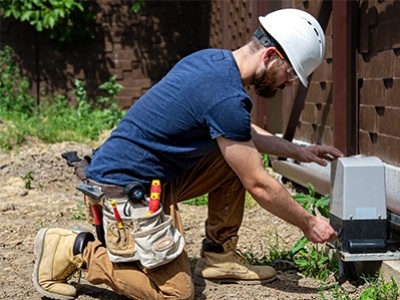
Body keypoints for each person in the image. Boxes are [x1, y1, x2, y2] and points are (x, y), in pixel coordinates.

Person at [32, 8, 343, 300]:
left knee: (234, 157)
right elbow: (258, 184)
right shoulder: (226, 97)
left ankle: (219, 256)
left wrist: (301, 152)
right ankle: (74, 249)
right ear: (272, 55)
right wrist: (309, 223)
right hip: (121, 190)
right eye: (290, 74)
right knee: (176, 293)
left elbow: (241, 132)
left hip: (151, 177)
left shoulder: (214, 62)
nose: (288, 83)